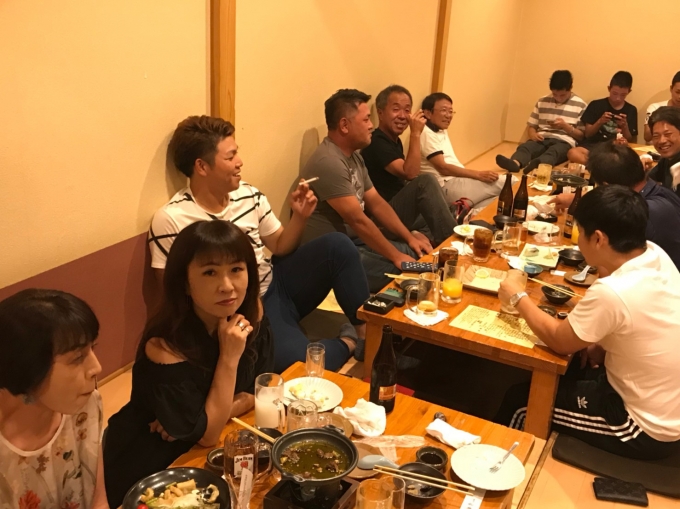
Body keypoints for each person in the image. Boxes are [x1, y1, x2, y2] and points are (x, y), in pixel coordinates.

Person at [148, 116, 369, 368]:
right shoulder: (173, 219)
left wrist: (300, 216)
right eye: (230, 157)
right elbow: (172, 290)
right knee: (300, 366)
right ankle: (348, 342)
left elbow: (280, 246)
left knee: (338, 246)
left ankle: (365, 334)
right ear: (202, 166)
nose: (239, 162)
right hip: (239, 306)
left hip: (275, 285)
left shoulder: (248, 195)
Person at [497, 185, 680, 460]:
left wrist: (517, 296)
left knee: (521, 402)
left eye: (579, 232)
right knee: (574, 367)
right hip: (667, 403)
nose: (577, 240)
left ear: (598, 238)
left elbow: (559, 340)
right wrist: (600, 344)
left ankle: (498, 471)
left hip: (644, 427)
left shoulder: (614, 291)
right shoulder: (654, 254)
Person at [105, 221, 273, 506]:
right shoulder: (164, 346)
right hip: (155, 458)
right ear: (184, 282)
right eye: (210, 272)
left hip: (209, 443)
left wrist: (210, 414)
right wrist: (229, 358)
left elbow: (264, 387)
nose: (227, 286)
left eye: (236, 269)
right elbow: (208, 435)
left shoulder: (250, 313)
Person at [300, 89, 432, 293]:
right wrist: (396, 256)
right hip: (329, 255)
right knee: (410, 276)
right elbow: (358, 220)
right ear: (344, 125)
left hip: (356, 241)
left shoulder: (354, 157)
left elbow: (377, 203)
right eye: (366, 119)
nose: (371, 125)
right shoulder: (329, 162)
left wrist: (409, 238)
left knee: (420, 256)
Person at [0, 289, 108, 509]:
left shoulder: (84, 407)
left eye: (92, 348)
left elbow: (98, 502)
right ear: (28, 367)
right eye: (77, 357)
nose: (97, 367)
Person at [551, 142, 680, 269]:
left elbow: (612, 260)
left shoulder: (640, 213)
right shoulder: (658, 193)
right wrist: (579, 199)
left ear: (607, 186)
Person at [360, 85, 457, 243]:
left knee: (449, 207)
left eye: (407, 110)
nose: (403, 116)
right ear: (380, 113)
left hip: (399, 210)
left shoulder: (394, 141)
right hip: (384, 217)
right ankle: (453, 245)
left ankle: (423, 236)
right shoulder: (376, 141)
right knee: (426, 182)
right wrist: (415, 133)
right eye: (396, 109)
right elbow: (410, 173)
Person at [419, 92, 507, 211]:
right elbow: (443, 168)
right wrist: (478, 175)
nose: (448, 115)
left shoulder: (440, 129)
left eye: (451, 111)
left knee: (496, 200)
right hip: (445, 185)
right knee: (509, 182)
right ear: (428, 113)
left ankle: (466, 215)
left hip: (456, 180)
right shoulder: (425, 132)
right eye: (444, 110)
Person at [496, 70, 586, 174]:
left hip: (565, 141)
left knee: (554, 152)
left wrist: (565, 126)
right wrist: (533, 134)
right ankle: (515, 163)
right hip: (542, 137)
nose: (558, 98)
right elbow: (532, 125)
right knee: (526, 147)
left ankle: (538, 165)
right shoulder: (542, 101)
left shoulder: (580, 105)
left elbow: (581, 136)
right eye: (555, 94)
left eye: (562, 95)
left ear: (570, 88)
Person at [567, 71, 638, 164]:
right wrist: (600, 121)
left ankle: (597, 165)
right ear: (609, 88)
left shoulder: (631, 110)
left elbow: (630, 139)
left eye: (623, 95)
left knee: (627, 159)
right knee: (572, 153)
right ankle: (602, 166)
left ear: (629, 91)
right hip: (594, 146)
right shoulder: (596, 105)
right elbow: (588, 134)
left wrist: (625, 126)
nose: (618, 98)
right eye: (615, 93)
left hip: (615, 148)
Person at [648, 106, 680, 200]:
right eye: (656, 136)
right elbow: (648, 181)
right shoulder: (666, 160)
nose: (661, 141)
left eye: (668, 134)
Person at [643, 71, 680, 143]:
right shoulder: (655, 108)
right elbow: (647, 137)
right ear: (671, 89)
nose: (679, 96)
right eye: (678, 92)